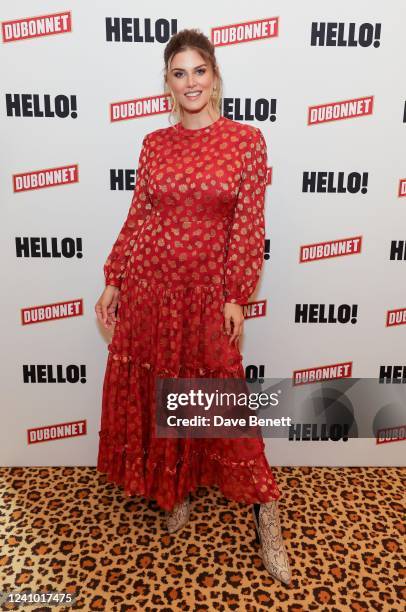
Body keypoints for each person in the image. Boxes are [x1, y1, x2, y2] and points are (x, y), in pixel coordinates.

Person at [95, 28, 291, 585]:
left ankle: (265, 514)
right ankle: (174, 486)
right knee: (169, 388)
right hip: (152, 287)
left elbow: (249, 227)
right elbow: (139, 215)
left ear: (215, 74)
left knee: (224, 401)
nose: (190, 83)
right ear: (167, 82)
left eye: (198, 71)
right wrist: (113, 280)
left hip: (208, 292)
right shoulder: (154, 144)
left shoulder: (246, 141)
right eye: (178, 73)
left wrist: (236, 294)